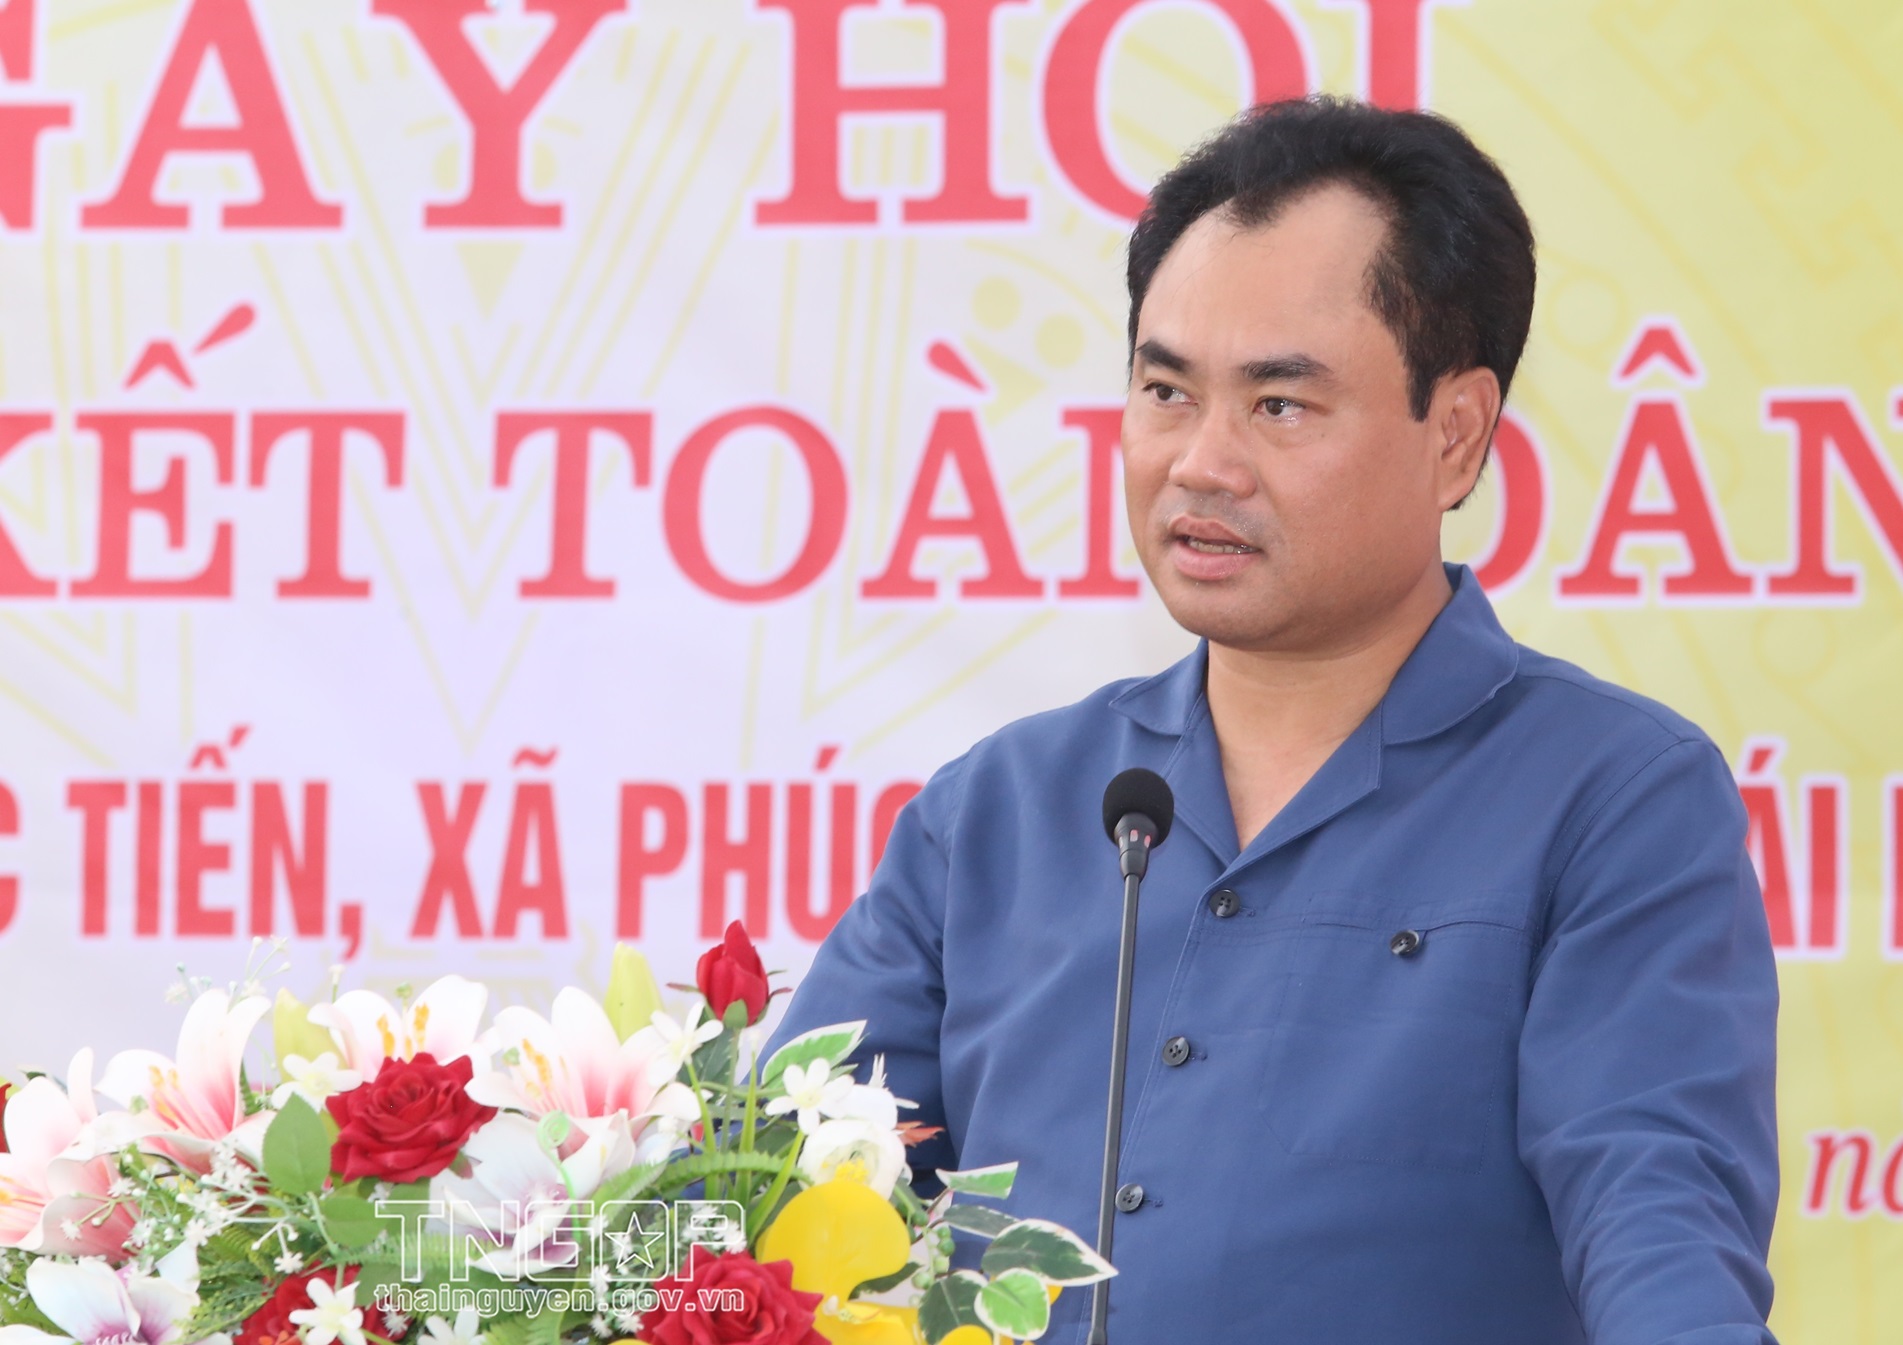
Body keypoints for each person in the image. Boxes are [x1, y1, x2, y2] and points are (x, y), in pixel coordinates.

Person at [768, 96, 1778, 1344]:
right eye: (1164, 389)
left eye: (1278, 405)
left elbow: (1657, 1217)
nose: (1201, 462)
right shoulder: (994, 813)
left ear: (1455, 435)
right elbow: (774, 1204)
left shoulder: (1613, 798)